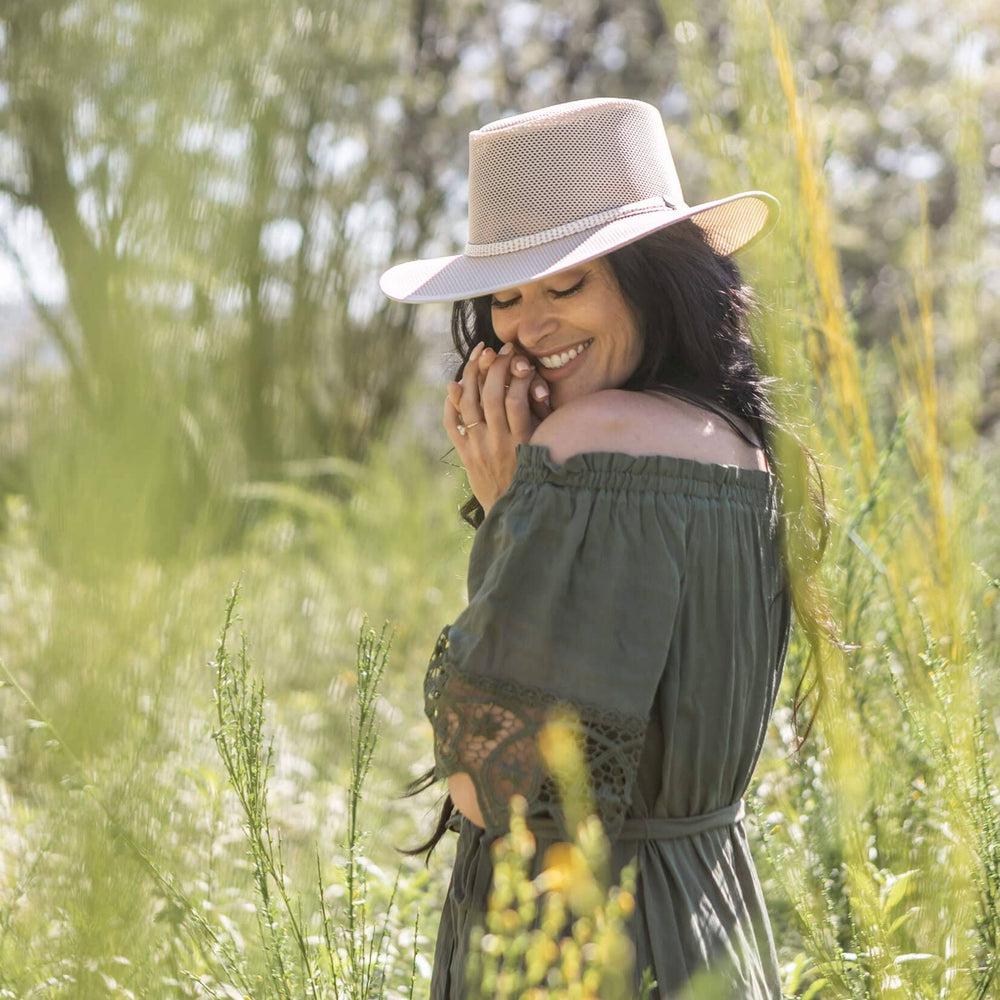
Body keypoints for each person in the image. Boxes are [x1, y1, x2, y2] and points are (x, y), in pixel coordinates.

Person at [380, 97, 832, 999]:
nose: (528, 328)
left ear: (652, 277)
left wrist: (517, 508)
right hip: (713, 925)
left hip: (586, 948)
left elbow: (490, 784)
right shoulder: (739, 444)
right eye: (506, 295)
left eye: (569, 283)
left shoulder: (593, 448)